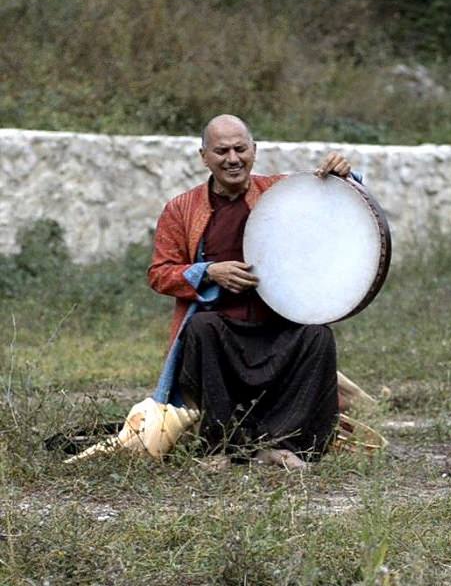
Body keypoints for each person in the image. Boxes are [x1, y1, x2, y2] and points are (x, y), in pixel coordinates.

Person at [148, 114, 357, 470]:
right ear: (204, 157)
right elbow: (159, 274)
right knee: (203, 329)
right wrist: (208, 272)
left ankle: (283, 445)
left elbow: (328, 199)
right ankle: (221, 447)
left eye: (240, 149)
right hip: (222, 333)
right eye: (221, 151)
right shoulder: (181, 209)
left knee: (317, 336)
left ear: (254, 151)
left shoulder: (279, 192)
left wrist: (343, 176)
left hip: (278, 327)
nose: (233, 159)